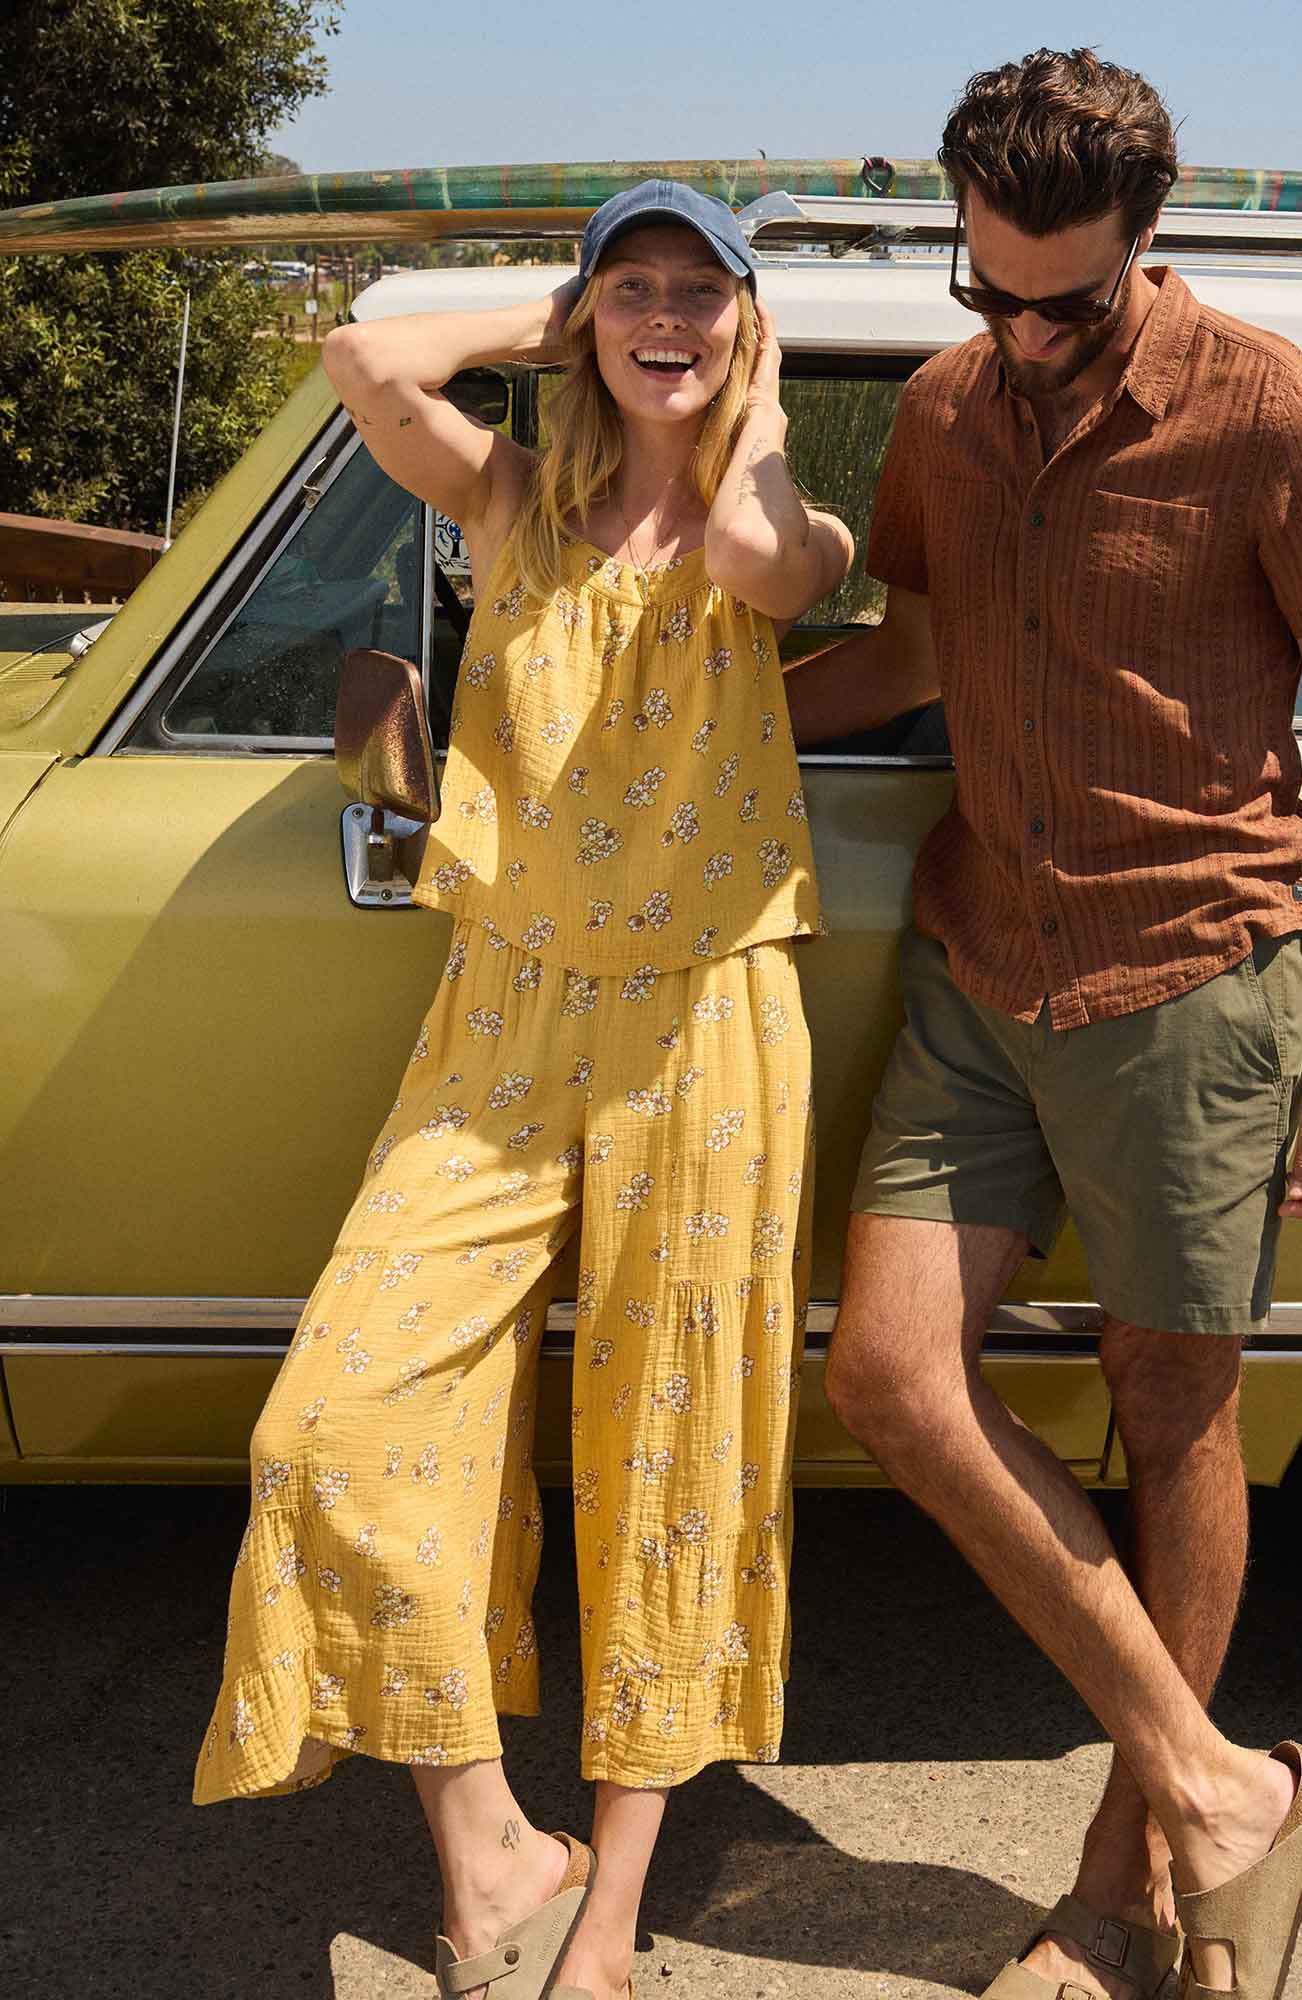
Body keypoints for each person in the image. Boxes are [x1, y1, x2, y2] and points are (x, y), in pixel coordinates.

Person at [787, 49, 1302, 2000]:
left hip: (1194, 981)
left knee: (1173, 1412)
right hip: (982, 965)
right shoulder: (944, 409)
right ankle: (1227, 1787)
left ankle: (1121, 1885)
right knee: (891, 1378)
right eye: (987, 288)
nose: (1020, 332)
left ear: (1146, 239)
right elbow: (904, 653)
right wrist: (664, 723)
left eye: (1060, 301)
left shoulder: (1272, 411)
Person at [194, 179, 853, 2000]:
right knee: (332, 1422)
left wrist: (745, 391)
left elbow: (758, 557)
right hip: (508, 1005)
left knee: (674, 1456)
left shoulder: (789, 518)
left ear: (750, 323)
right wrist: (558, 316)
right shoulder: (508, 503)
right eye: (633, 288)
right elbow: (363, 355)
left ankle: (606, 1926)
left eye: (700, 291)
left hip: (709, 1019)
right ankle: (494, 1851)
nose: (665, 318)